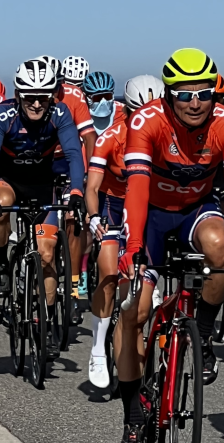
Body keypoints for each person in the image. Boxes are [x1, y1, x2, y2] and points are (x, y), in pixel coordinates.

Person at [116, 49, 224, 442]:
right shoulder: (148, 121)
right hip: (152, 215)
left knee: (220, 246)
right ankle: (132, 409)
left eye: (204, 93)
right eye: (184, 94)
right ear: (168, 96)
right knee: (137, 312)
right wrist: (133, 246)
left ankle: (203, 331)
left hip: (197, 208)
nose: (195, 102)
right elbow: (136, 188)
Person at [0, 58, 86, 359]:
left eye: (43, 97)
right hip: (8, 179)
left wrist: (77, 191)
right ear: (18, 94)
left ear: (53, 95)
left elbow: (75, 154)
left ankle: (44, 318)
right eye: (30, 97)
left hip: (42, 183)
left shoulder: (60, 113)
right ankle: (1, 263)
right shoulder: (3, 116)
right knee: (1, 205)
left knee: (48, 253)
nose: (37, 104)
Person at [85, 75, 162, 389]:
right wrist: (92, 217)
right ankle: (97, 347)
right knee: (108, 270)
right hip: (113, 208)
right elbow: (91, 187)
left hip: (150, 209)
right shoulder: (112, 136)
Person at [38, 55, 97, 321]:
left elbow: (88, 137)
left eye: (53, 85)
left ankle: (72, 288)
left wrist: (90, 173)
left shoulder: (74, 96)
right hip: (39, 167)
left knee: (74, 219)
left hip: (67, 163)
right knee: (44, 241)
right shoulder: (29, 100)